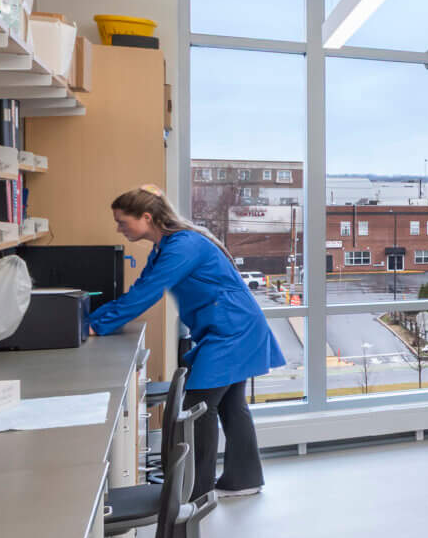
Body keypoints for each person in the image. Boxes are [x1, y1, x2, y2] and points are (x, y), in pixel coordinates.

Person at [90, 187, 286, 501]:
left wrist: (95, 325)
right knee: (231, 404)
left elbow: (147, 294)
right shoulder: (166, 247)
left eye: (122, 222)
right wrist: (92, 320)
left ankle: (196, 490)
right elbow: (141, 288)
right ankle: (243, 479)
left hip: (231, 330)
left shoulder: (183, 246)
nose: (118, 228)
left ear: (146, 217)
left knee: (196, 408)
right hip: (229, 326)